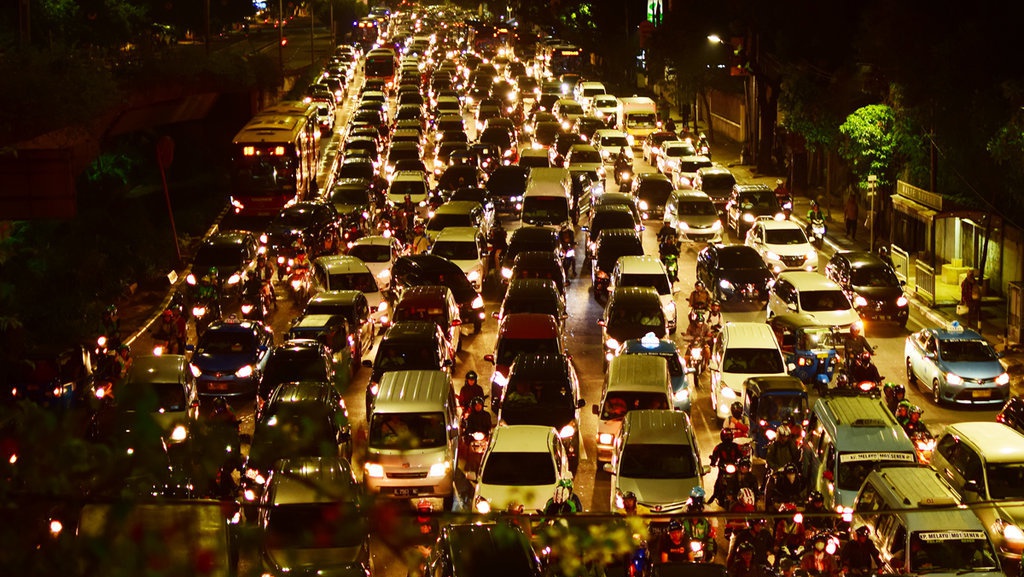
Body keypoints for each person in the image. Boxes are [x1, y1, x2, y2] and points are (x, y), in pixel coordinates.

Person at [708, 429, 744, 506]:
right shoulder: (718, 447)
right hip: (723, 468)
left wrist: (742, 461)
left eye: (729, 436)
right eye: (726, 436)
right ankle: (715, 494)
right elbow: (715, 456)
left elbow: (741, 455)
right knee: (718, 481)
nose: (728, 438)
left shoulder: (736, 446)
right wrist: (713, 461)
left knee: (741, 480)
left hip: (734, 467)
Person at [682, 487, 716, 560]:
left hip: (702, 542)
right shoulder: (685, 519)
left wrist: (713, 531)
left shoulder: (705, 522)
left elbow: (714, 521)